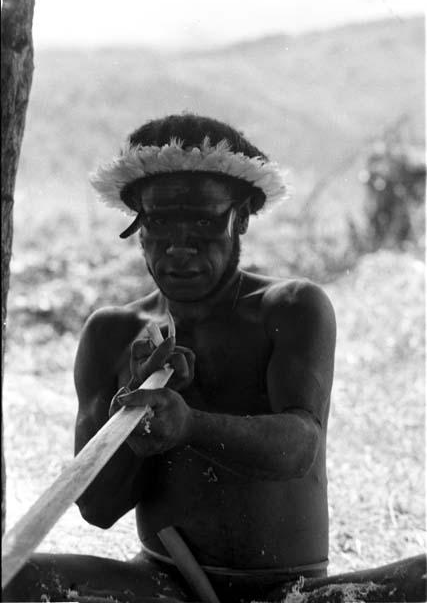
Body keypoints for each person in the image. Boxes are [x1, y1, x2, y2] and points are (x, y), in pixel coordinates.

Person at [4, 114, 425, 603]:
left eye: (204, 221)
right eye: (160, 223)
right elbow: (96, 509)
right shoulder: (112, 333)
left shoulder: (291, 308)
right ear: (137, 224)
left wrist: (190, 426)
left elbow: (299, 446)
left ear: (242, 217)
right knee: (16, 580)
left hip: (294, 594)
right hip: (164, 587)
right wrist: (135, 416)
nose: (179, 248)